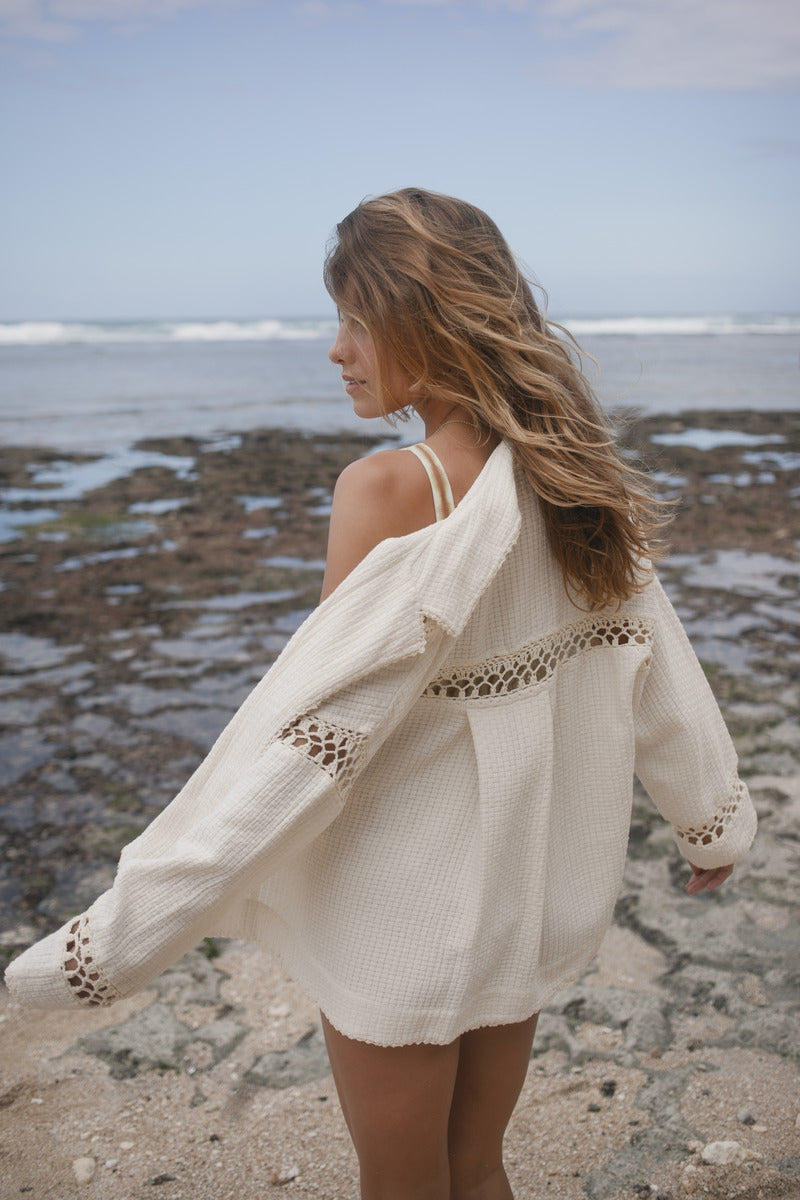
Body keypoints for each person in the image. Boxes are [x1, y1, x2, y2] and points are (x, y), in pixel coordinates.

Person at [5, 188, 756, 1200]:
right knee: (475, 1169)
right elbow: (655, 660)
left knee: (400, 1185)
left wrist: (121, 938)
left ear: (426, 323)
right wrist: (712, 824)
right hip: (517, 895)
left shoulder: (390, 489)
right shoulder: (569, 478)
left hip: (399, 909)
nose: (336, 351)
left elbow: (309, 736)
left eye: (356, 321)